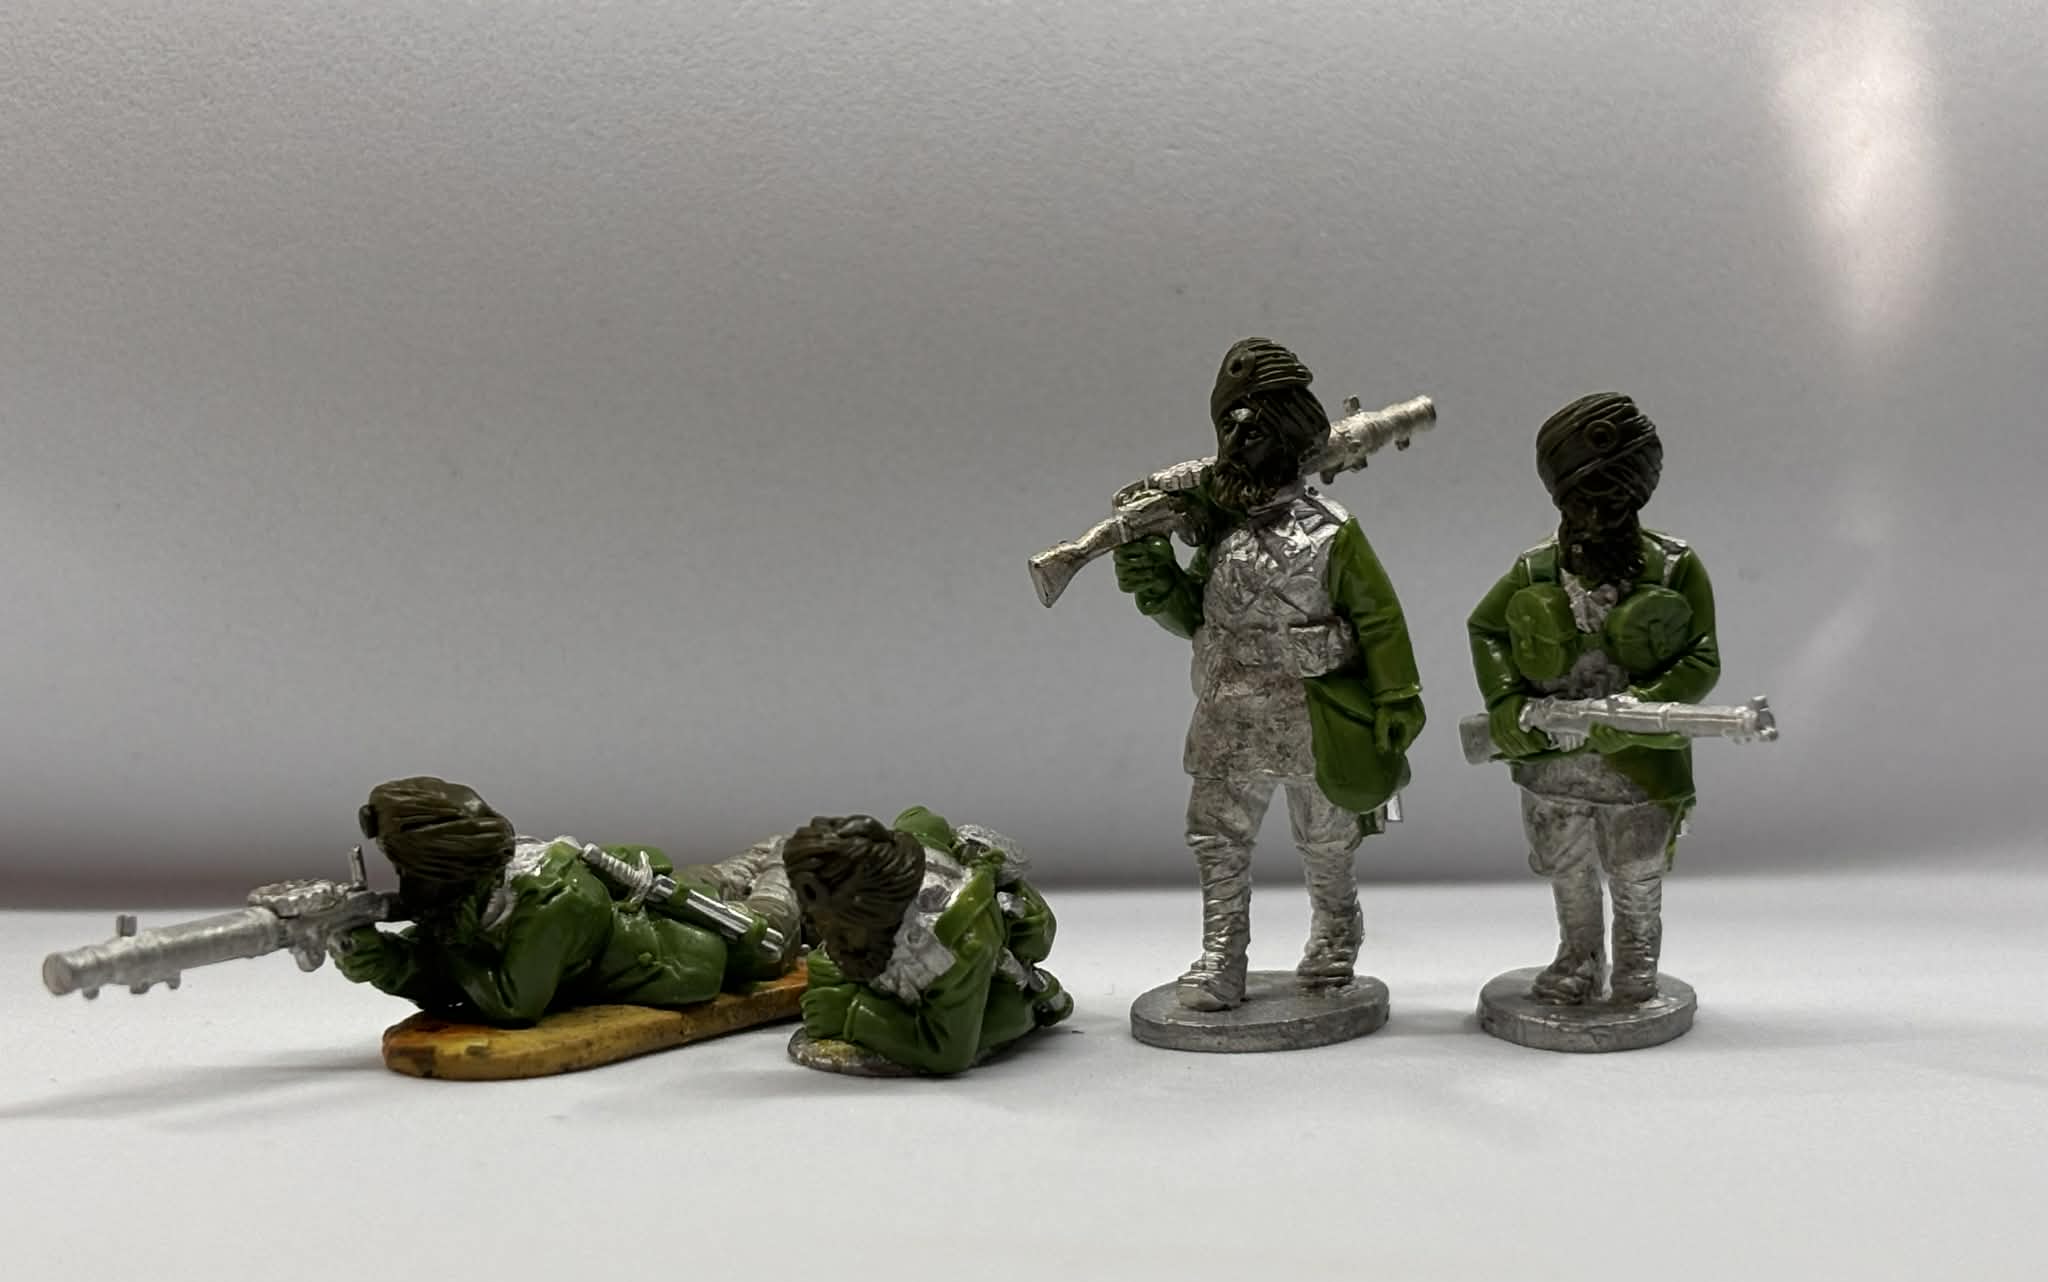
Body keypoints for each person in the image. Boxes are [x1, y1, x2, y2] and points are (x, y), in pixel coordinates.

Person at [1111, 338, 1425, 1010]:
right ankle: (1222, 958)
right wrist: (1154, 579)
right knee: (1216, 837)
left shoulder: (1333, 533)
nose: (1235, 444)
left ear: (1287, 438)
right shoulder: (1222, 535)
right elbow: (1196, 614)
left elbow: (1380, 619)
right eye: (1227, 429)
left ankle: (1335, 936)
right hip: (1227, 712)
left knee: (1327, 839)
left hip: (1317, 714)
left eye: (1251, 431)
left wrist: (1397, 699)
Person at [1467, 392, 1719, 1006]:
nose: (1596, 513)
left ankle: (1637, 963)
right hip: (1553, 755)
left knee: (1637, 868)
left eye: (1612, 497)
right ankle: (1578, 957)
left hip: (1639, 759)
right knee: (1567, 865)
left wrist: (1644, 703)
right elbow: (1488, 628)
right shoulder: (1535, 570)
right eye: (1581, 497)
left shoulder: (1674, 568)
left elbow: (1702, 658)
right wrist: (1507, 702)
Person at [331, 776, 798, 1024]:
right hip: (654, 894)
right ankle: (764, 853)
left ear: (446, 867)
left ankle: (785, 858)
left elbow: (513, 1002)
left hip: (689, 946)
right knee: (723, 874)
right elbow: (450, 971)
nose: (406, 885)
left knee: (775, 907)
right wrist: (385, 961)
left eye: (408, 870)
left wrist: (435, 944)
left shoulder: (549, 903)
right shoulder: (472, 897)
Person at [782, 808, 1070, 1074]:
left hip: (993, 970)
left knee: (1001, 1014)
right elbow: (922, 819)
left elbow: (947, 1051)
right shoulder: (854, 915)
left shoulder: (953, 945)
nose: (820, 930)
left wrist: (852, 1014)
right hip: (894, 929)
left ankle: (1038, 999)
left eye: (836, 927)